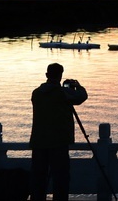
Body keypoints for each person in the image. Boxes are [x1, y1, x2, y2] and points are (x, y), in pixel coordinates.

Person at [29, 63, 88, 201]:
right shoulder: (63, 93)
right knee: (60, 179)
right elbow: (81, 96)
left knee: (38, 179)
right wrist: (77, 85)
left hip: (39, 141)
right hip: (58, 142)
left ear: (47, 75)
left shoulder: (36, 93)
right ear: (60, 76)